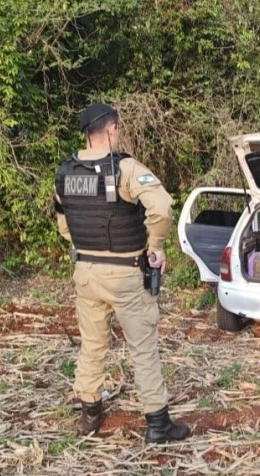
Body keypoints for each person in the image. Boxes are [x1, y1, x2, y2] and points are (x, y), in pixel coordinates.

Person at [53, 102, 190, 444]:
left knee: (92, 344)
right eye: (120, 129)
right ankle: (158, 424)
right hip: (126, 274)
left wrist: (86, 248)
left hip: (85, 272)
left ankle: (89, 414)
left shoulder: (66, 173)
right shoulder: (125, 169)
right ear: (112, 129)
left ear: (87, 133)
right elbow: (161, 207)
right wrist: (155, 247)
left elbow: (64, 224)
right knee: (142, 348)